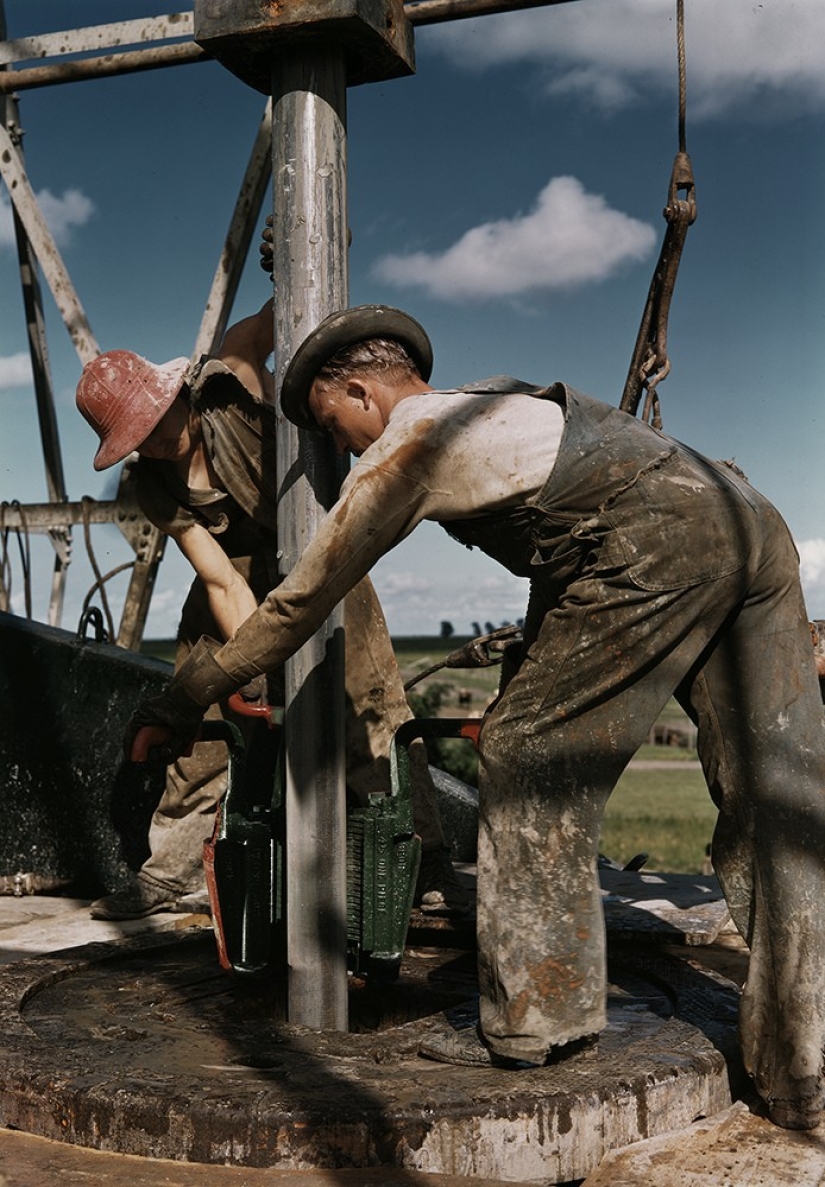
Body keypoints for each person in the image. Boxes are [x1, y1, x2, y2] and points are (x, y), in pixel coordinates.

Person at [124, 303, 825, 1133]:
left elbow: (297, 605)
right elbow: (570, 540)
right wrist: (531, 665)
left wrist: (180, 696)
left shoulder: (408, 446)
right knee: (777, 799)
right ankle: (799, 1066)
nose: (340, 446)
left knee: (525, 758)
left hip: (661, 545)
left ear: (358, 391)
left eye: (332, 425)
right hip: (745, 516)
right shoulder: (497, 401)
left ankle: (537, 1023)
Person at [75, 299, 468, 921]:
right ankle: (174, 871)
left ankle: (423, 861)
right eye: (137, 439)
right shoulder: (150, 483)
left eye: (157, 422)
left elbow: (280, 313)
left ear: (174, 391)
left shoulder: (229, 387)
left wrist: (289, 257)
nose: (155, 442)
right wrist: (248, 670)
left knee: (372, 714)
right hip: (234, 575)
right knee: (197, 713)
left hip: (321, 558)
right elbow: (217, 576)